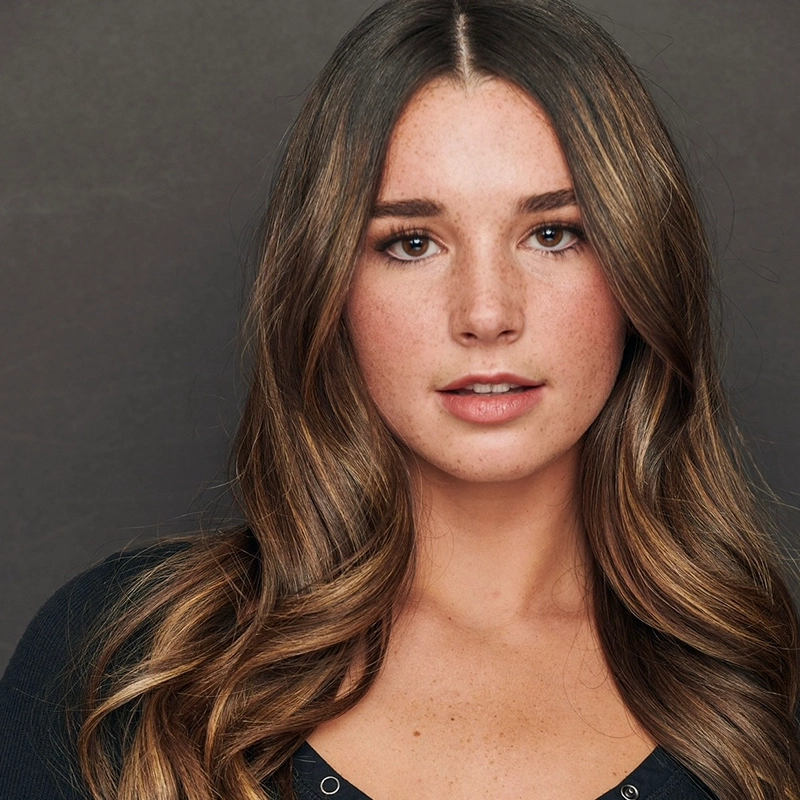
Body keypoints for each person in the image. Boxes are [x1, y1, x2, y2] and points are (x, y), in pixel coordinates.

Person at [1, 0, 798, 798]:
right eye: (412, 243)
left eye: (554, 234)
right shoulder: (125, 665)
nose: (487, 313)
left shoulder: (769, 694)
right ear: (328, 289)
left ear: (640, 270)